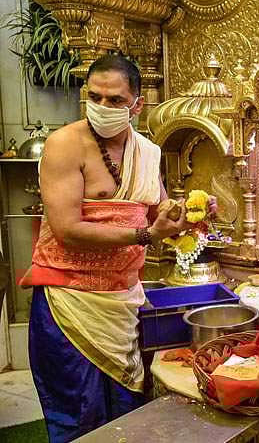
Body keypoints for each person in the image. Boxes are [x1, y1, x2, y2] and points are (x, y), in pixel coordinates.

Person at [20, 54, 212, 442]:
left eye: (115, 100)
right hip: (70, 305)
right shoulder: (64, 145)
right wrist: (146, 235)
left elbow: (159, 212)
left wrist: (191, 214)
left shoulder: (147, 151)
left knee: (127, 417)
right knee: (79, 418)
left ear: (136, 105)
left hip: (122, 303)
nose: (103, 107)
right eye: (95, 97)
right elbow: (67, 230)